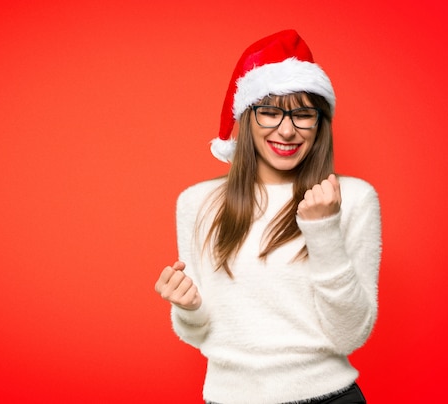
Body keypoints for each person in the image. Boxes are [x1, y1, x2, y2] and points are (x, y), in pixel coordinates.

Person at [154, 29, 381, 404]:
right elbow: (198, 333)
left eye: (303, 114)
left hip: (328, 397)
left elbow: (350, 334)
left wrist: (323, 230)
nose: (287, 130)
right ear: (246, 118)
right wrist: (188, 307)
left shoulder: (353, 199)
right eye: (270, 112)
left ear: (319, 123)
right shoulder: (197, 204)